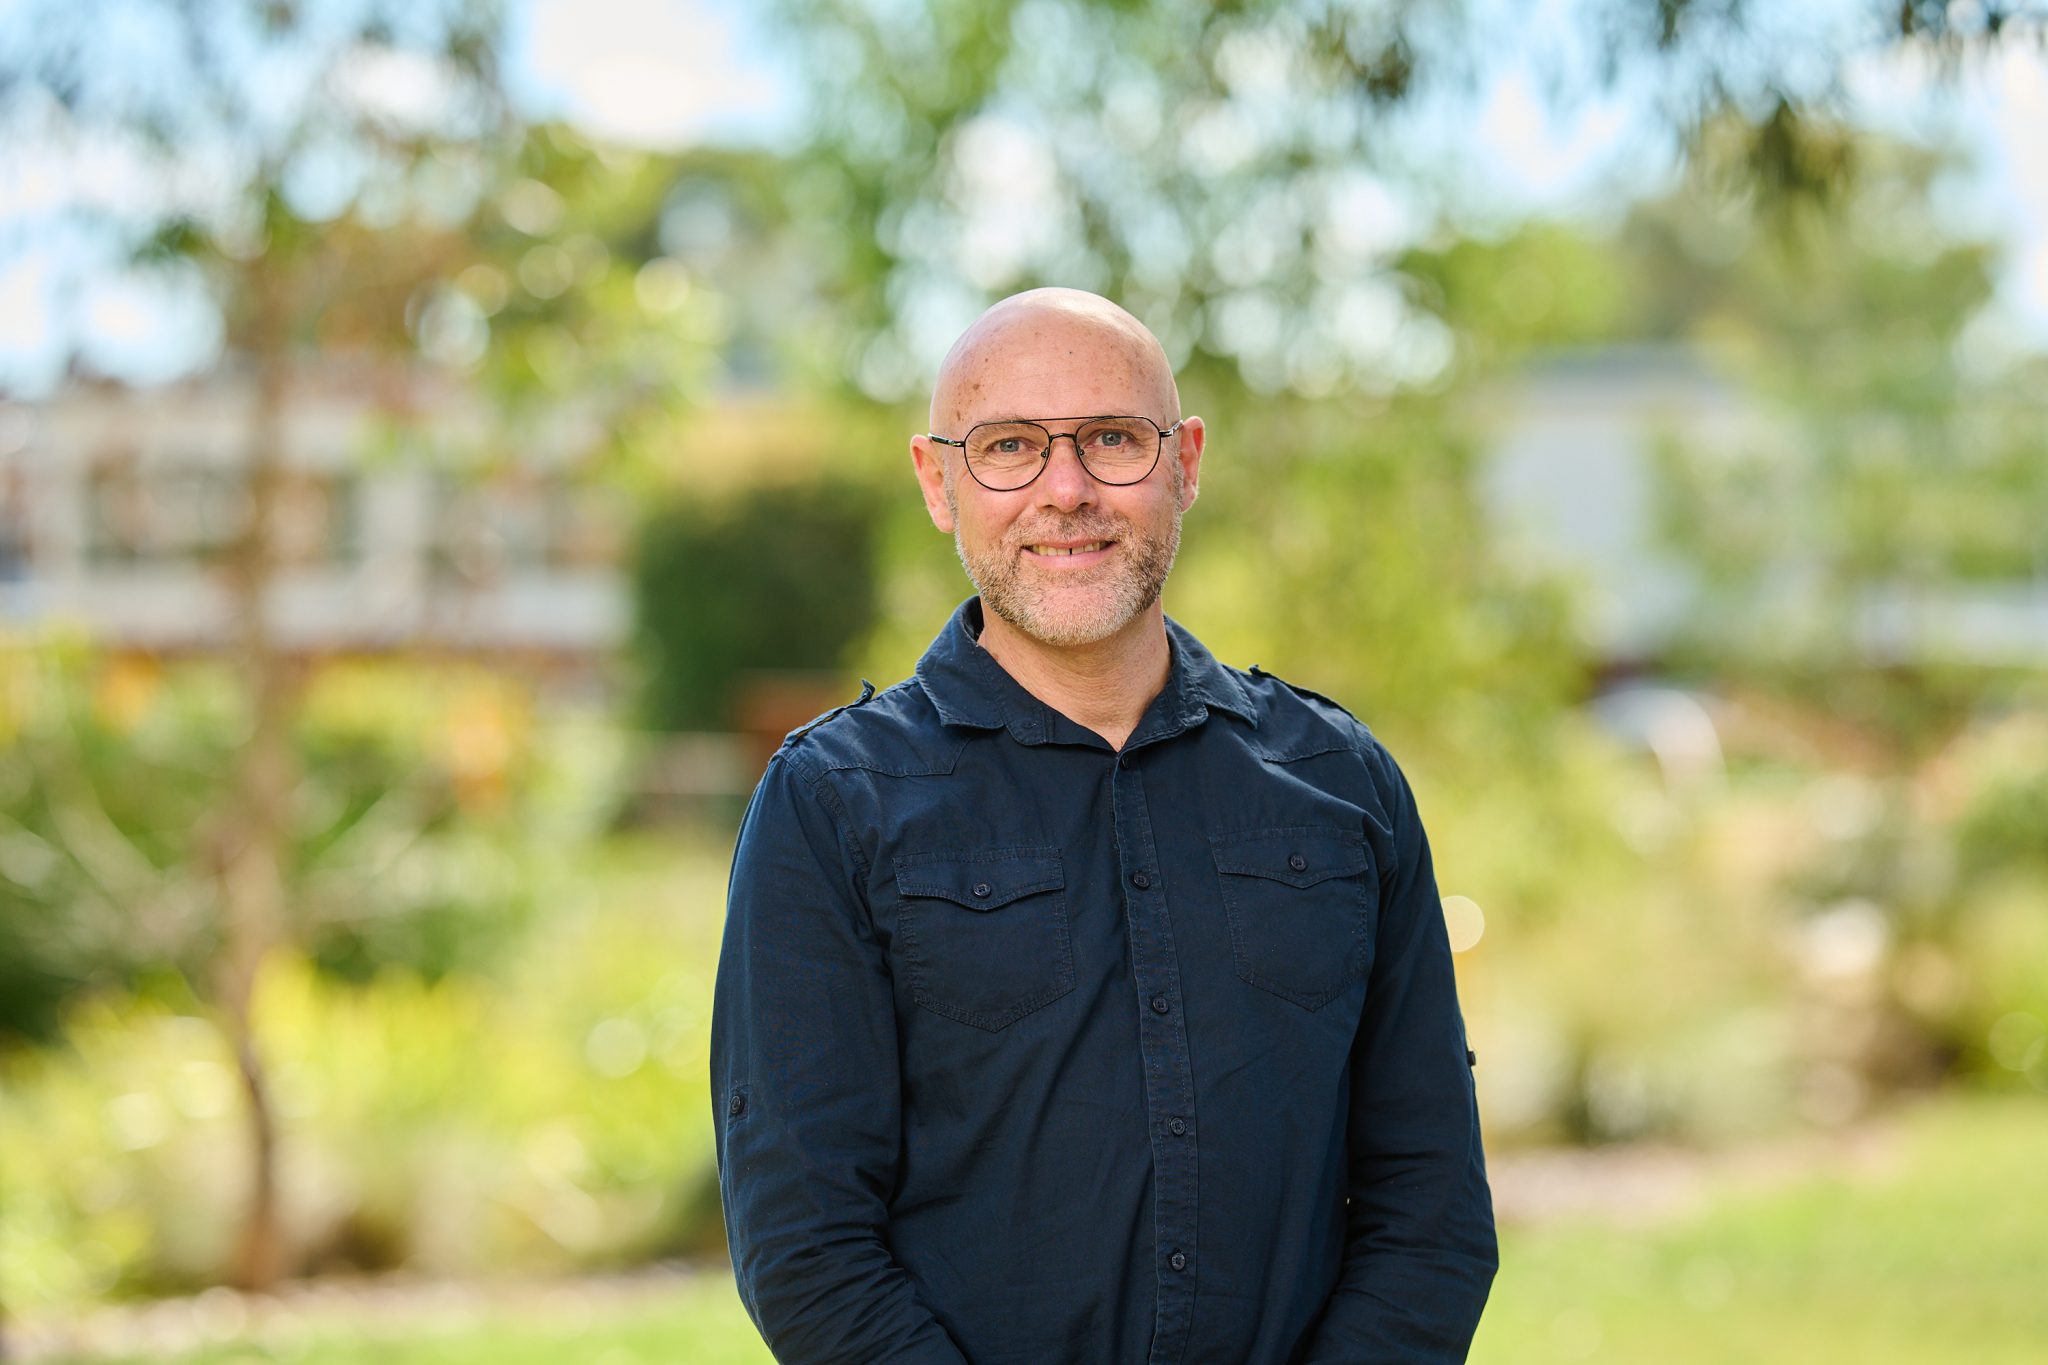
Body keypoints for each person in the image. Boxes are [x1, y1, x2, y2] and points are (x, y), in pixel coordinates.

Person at [709, 288, 1497, 1364]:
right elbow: (806, 1245)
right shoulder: (830, 803)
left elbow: (1431, 1209)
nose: (1066, 489)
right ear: (938, 482)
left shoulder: (1340, 781)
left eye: (1114, 439)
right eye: (1009, 446)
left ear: (1186, 463)